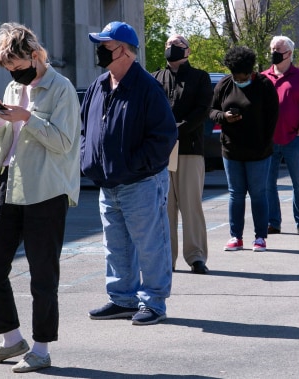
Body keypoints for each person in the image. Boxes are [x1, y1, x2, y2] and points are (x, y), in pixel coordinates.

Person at [0, 22, 81, 373]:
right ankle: (11, 339)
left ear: (35, 56)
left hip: (46, 190)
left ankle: (41, 349)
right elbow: (2, 144)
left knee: (43, 275)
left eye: (19, 69)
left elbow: (64, 143)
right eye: (10, 71)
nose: (16, 76)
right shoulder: (10, 87)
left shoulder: (61, 88)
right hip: (11, 183)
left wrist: (27, 118)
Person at [81, 22, 177, 326]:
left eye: (104, 45)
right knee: (116, 246)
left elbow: (164, 137)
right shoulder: (99, 85)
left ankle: (154, 303)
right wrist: (89, 160)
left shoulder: (147, 87)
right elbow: (86, 129)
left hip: (141, 183)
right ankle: (122, 299)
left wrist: (134, 164)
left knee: (151, 246)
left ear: (123, 50)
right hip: (108, 184)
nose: (99, 51)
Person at [152, 34, 211, 274]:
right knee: (165, 208)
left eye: (176, 45)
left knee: (191, 205)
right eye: (167, 44)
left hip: (189, 149)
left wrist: (176, 129)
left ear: (187, 51)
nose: (170, 48)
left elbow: (202, 110)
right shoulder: (154, 78)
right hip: (162, 153)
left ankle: (196, 256)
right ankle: (167, 258)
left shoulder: (200, 77)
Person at [210, 46, 279, 252]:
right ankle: (235, 237)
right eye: (236, 76)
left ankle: (260, 237)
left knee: (258, 194)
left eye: (243, 76)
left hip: (259, 152)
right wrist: (224, 117)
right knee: (236, 194)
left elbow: (272, 118)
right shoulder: (224, 84)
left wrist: (264, 144)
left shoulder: (265, 85)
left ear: (251, 71)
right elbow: (211, 110)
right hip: (232, 151)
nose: (239, 80)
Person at [262, 36, 299, 236]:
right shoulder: (263, 77)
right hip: (268, 141)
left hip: (293, 139)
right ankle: (273, 222)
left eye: (278, 49)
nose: (274, 52)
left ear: (289, 53)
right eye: (272, 48)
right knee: (268, 184)